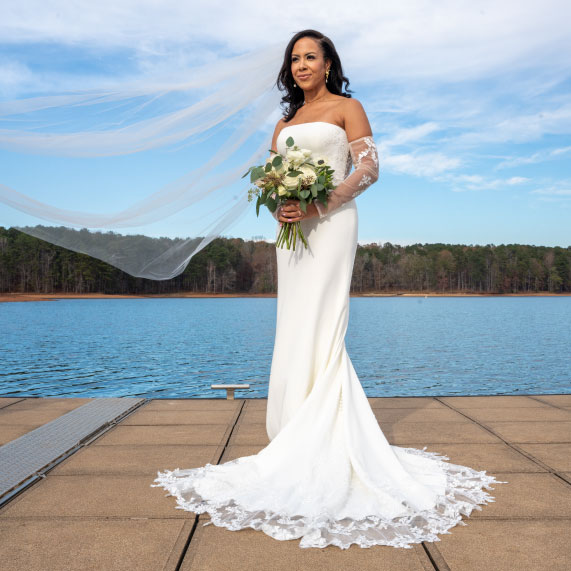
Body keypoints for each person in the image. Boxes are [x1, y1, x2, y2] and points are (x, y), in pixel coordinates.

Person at [151, 29, 506, 550]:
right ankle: (294, 428)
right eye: (294, 59)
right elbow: (273, 182)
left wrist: (324, 203)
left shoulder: (348, 107)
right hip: (292, 231)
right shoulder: (283, 123)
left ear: (328, 62)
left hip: (333, 223)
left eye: (310, 57)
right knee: (294, 323)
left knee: (325, 321)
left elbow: (370, 167)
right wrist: (284, 205)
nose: (301, 65)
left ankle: (329, 435)